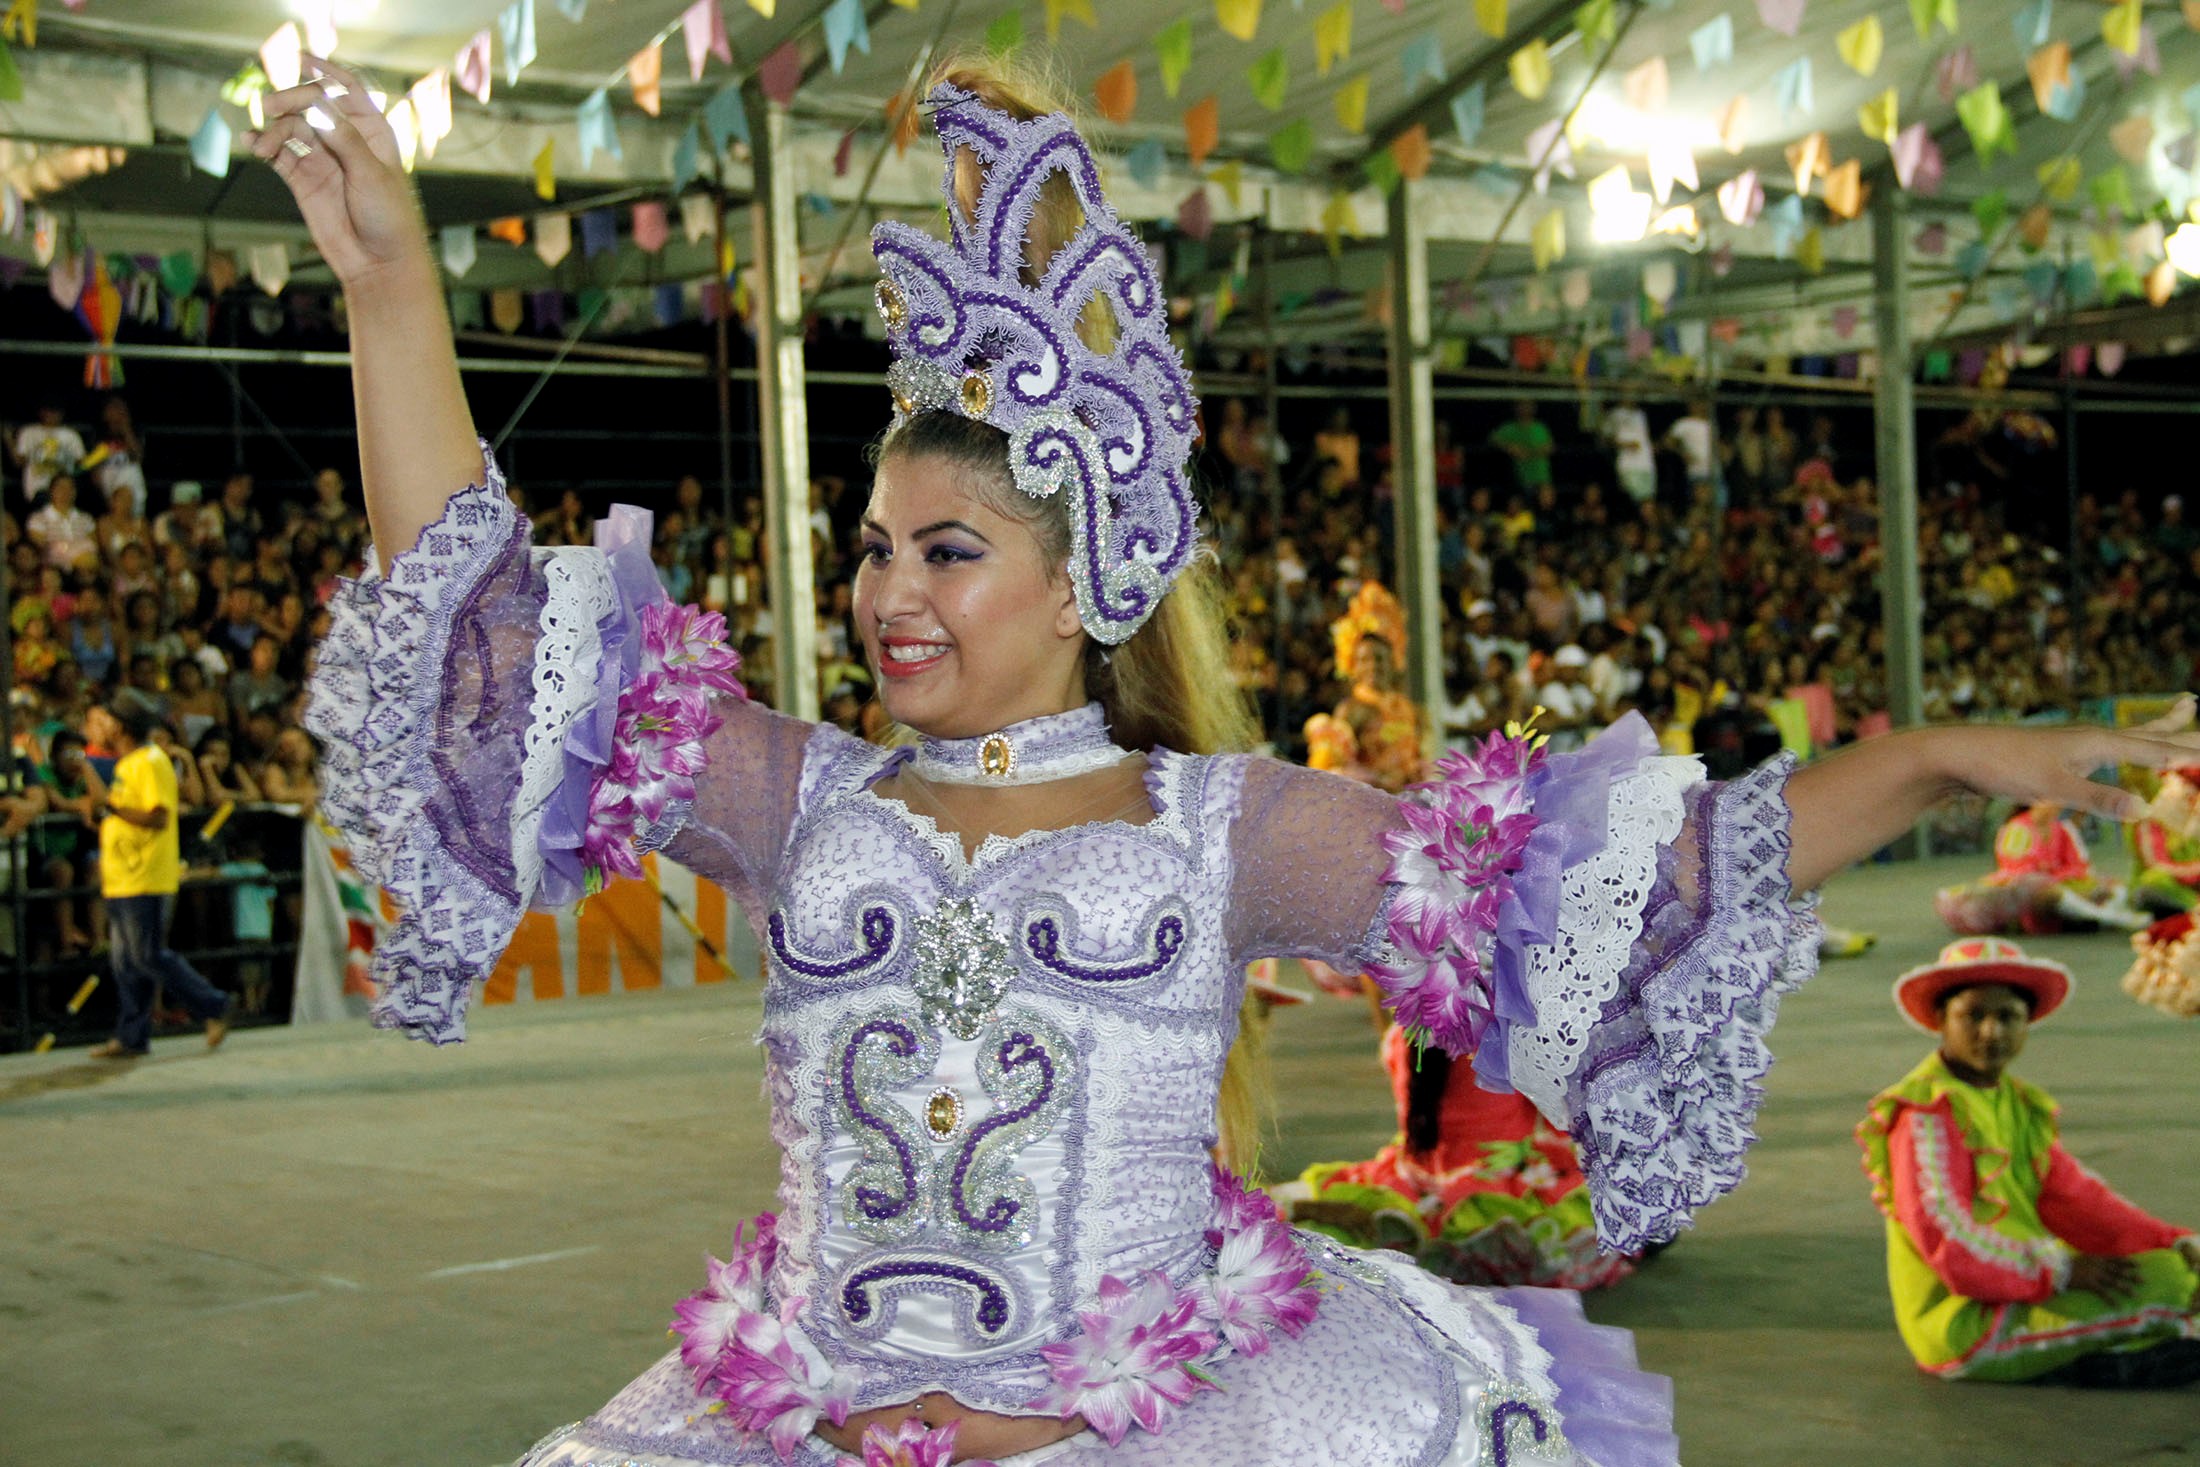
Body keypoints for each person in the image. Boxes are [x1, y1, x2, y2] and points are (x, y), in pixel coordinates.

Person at [259, 52, 2200, 1467]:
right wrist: (387, 296)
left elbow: (1657, 872)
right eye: (867, 550)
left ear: (1077, 576)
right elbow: (496, 658)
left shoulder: (1224, 825)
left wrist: (1933, 750)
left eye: (944, 551)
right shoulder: (798, 798)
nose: (884, 594)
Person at [1857, 938, 2200, 1385]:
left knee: (2172, 1271)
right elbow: (1946, 1241)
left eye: (2008, 1017)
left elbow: (2078, 1200)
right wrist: (2062, 1271)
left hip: (2023, 1289)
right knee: (2171, 1290)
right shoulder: (1926, 1113)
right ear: (1940, 1020)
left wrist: (2172, 1241)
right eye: (1973, 1015)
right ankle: (2119, 1349)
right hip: (1963, 1324)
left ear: (2027, 1024)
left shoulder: (2015, 1101)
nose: (1991, 1032)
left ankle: (2118, 1345)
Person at [85, 699, 232, 1059]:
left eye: (104, 721)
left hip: (145, 874)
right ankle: (132, 1035)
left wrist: (111, 807)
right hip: (123, 875)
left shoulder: (150, 762)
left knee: (146, 955)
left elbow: (158, 817)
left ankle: (214, 1004)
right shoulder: (129, 764)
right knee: (125, 961)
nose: (98, 728)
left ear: (120, 726)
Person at [1935, 802, 2148, 936]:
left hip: (2058, 883)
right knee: (2041, 889)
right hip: (2025, 889)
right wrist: (2054, 877)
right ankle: (2112, 918)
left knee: (2110, 886)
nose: (2055, 805)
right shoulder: (2018, 828)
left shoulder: (2062, 829)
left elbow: (2078, 865)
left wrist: (2060, 877)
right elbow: (2019, 870)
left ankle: (2101, 914)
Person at [1600, 391, 1655, 508]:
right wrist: (1625, 444)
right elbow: (1604, 438)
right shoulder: (1614, 414)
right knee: (1630, 502)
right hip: (1628, 465)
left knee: (1648, 502)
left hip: (1647, 464)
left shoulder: (1641, 414)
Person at [1490, 398, 1554, 497]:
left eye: (1529, 405)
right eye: (1522, 405)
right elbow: (1492, 439)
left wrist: (1543, 449)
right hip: (1521, 479)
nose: (1526, 409)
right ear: (1516, 408)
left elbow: (1551, 446)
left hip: (1542, 478)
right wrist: (1509, 448)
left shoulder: (1540, 427)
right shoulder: (1509, 428)